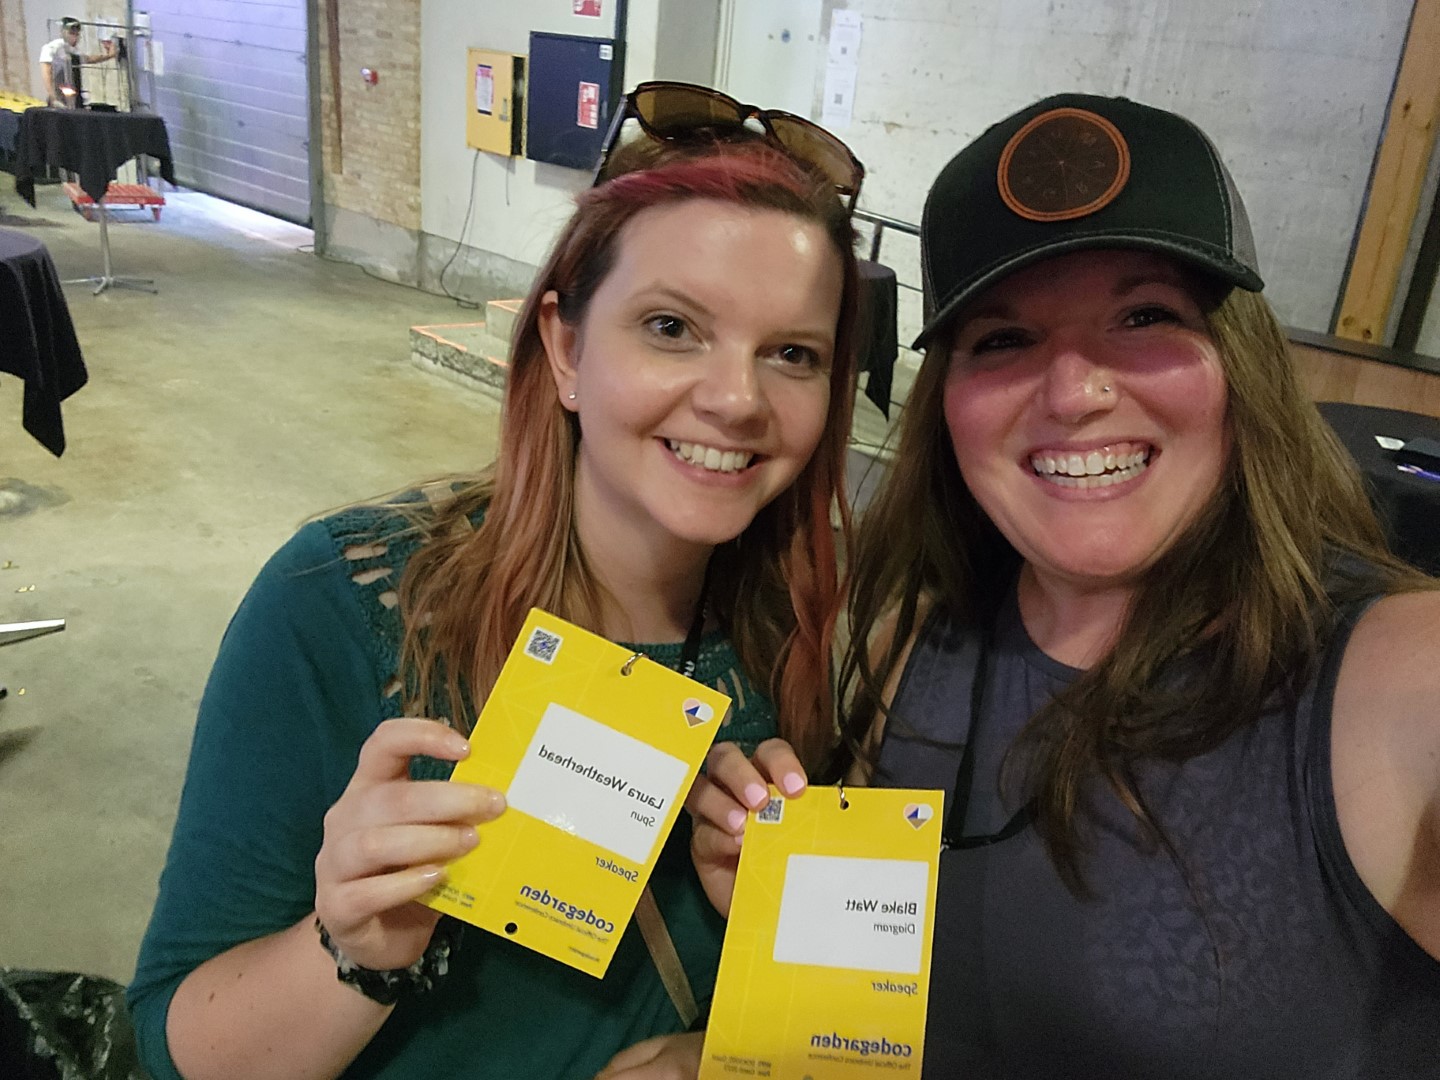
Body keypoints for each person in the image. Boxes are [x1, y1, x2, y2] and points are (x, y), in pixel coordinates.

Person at [689, 93, 1440, 1078]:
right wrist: (766, 959)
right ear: (946, 403)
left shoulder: (1396, 676)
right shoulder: (909, 645)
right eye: (1003, 339)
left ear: (1239, 366)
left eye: (1144, 315)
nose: (1075, 391)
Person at [127, 81, 863, 1080]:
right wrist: (355, 947)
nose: (736, 399)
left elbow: (845, 1026)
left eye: (790, 352)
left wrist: (730, 1039)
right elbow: (174, 1048)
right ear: (564, 346)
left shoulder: (820, 630)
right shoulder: (345, 607)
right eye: (671, 328)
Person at [38, 17, 116, 107]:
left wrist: (109, 55)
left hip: (73, 94)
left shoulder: (72, 50)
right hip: (59, 95)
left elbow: (88, 59)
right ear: (62, 32)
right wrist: (53, 97)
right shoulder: (52, 48)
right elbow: (46, 72)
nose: (75, 37)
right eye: (71, 33)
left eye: (77, 34)